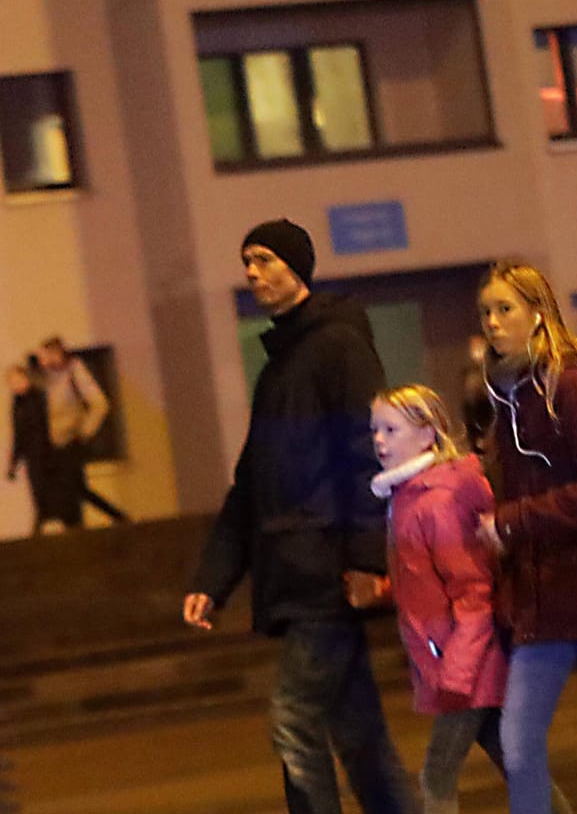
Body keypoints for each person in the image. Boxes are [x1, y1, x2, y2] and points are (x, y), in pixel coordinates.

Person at [182, 218, 420, 814]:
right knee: (359, 735)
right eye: (247, 261)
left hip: (326, 576)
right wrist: (213, 581)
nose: (252, 272)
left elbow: (369, 450)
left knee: (292, 721)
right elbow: (250, 487)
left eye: (264, 259)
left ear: (298, 267)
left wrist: (367, 559)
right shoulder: (278, 370)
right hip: (295, 572)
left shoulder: (337, 346)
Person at [357, 384, 571, 814]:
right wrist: (384, 590)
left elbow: (473, 591)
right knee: (516, 763)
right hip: (459, 662)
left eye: (391, 429)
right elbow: (430, 579)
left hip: (465, 665)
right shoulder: (408, 498)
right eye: (375, 429)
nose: (379, 439)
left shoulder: (435, 503)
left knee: (437, 775)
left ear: (428, 434)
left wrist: (455, 672)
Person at [471, 260, 577, 814]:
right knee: (518, 743)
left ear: (539, 311)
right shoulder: (510, 394)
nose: (493, 322)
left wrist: (513, 521)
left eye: (506, 309)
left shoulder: (570, 383)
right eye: (485, 312)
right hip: (543, 597)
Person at [37, 335, 129, 525]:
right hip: (57, 443)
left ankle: (116, 518)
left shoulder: (74, 372)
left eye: (47, 355)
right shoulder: (47, 379)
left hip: (73, 440)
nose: (44, 360)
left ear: (57, 353)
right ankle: (115, 517)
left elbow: (99, 404)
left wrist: (85, 431)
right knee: (74, 488)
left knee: (71, 487)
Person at [6, 358, 77, 533]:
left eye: (17, 380)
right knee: (39, 493)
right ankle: (43, 527)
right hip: (32, 454)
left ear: (25, 378)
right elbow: (18, 434)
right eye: (11, 382)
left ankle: (47, 527)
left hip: (46, 452)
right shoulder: (17, 403)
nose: (15, 385)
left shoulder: (38, 397)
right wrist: (14, 463)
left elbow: (46, 424)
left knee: (49, 492)